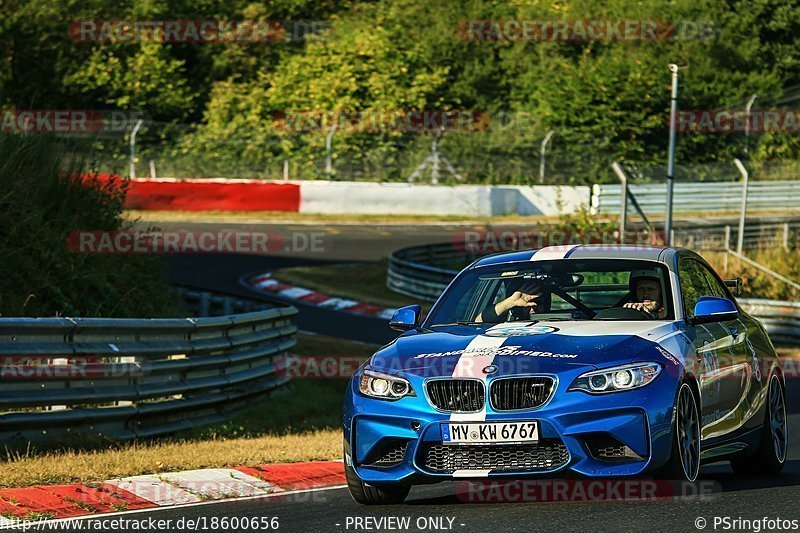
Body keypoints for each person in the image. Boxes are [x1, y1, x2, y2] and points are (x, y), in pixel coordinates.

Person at [476, 280, 550, 323]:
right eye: (526, 306)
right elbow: (478, 322)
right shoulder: (505, 324)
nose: (532, 309)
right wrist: (510, 302)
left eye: (538, 303)